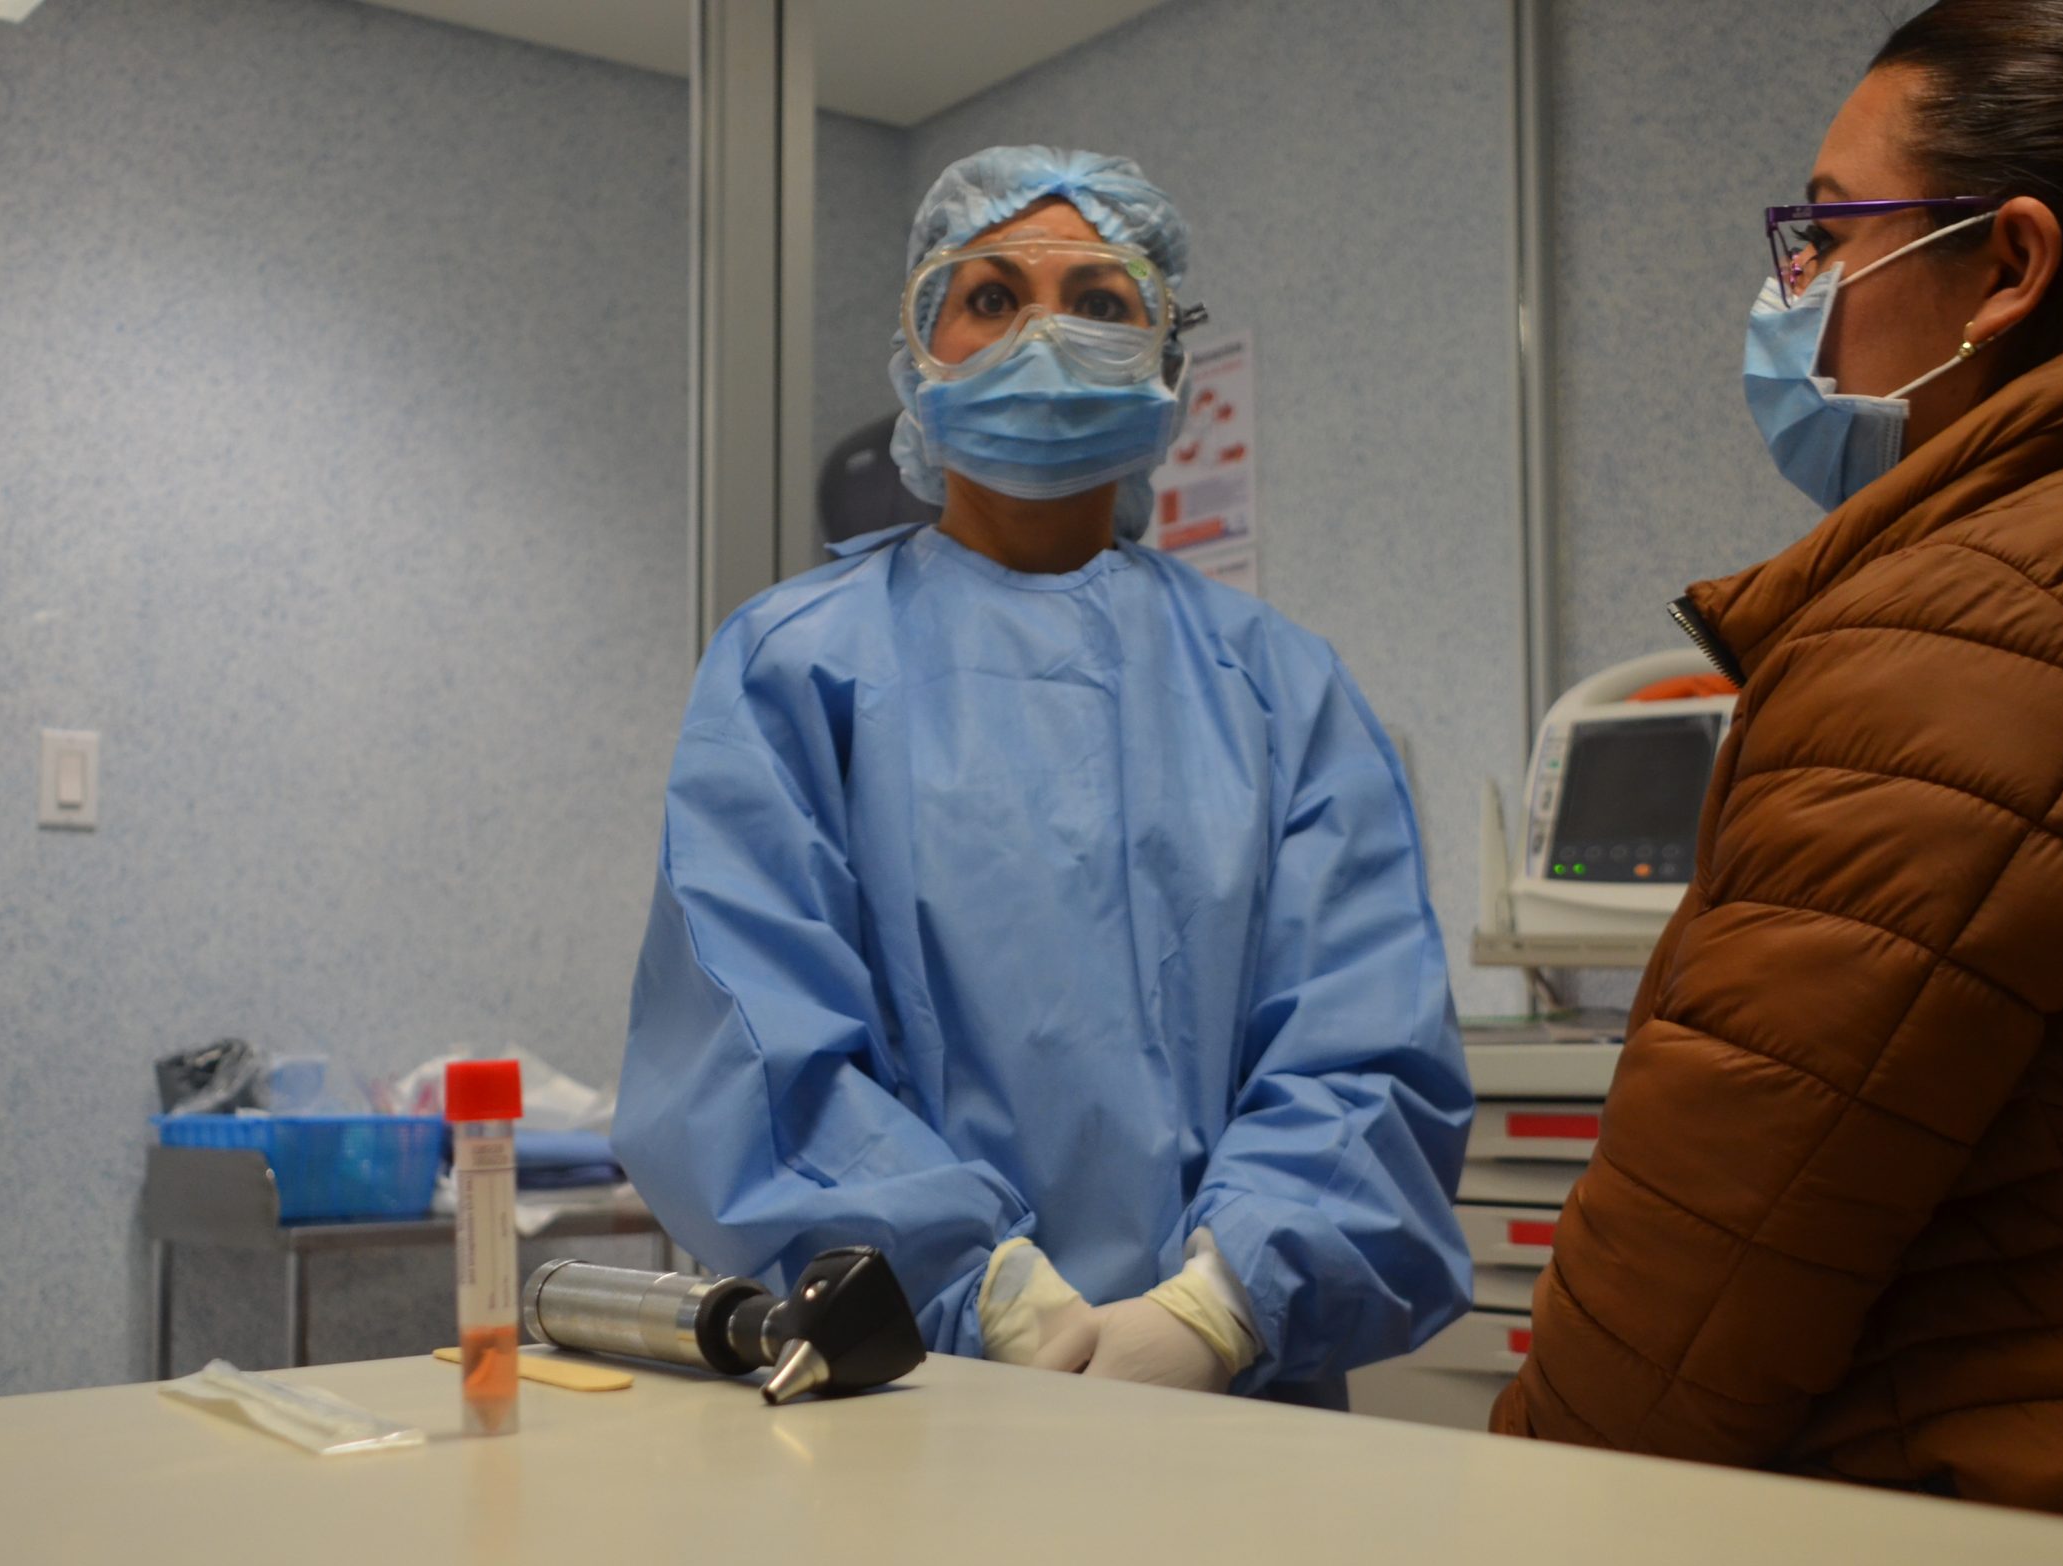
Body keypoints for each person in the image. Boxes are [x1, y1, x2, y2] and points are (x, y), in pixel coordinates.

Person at [1493, 0, 2063, 1538]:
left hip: (2025, 1556)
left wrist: (1518, 1546)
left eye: (1827, 235)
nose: (1794, 297)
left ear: (2009, 266)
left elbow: (1671, 1333)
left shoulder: (1974, 633)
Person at [614, 146, 1473, 1405]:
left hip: (1230, 1411)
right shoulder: (795, 667)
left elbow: (1365, 1041)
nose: (1043, 336)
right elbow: (747, 1043)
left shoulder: (1278, 687)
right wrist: (986, 1292)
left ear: (1164, 357)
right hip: (911, 1389)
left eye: (1100, 302)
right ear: (920, 354)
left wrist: (1221, 1306)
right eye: (991, 296)